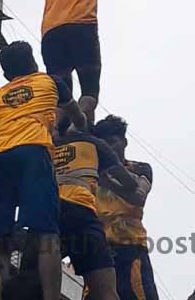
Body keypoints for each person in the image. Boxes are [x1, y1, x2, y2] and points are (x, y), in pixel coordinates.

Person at [0, 41, 85, 300]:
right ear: (34, 63)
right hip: (32, 152)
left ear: (6, 75)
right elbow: (79, 118)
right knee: (47, 232)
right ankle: (51, 297)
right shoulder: (51, 83)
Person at [41, 0, 136, 124]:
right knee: (90, 90)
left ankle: (55, 134)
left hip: (50, 34)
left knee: (62, 94)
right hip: (81, 27)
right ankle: (76, 129)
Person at [51, 123, 139, 300]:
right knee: (106, 292)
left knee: (36, 281)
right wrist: (104, 177)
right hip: (82, 214)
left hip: (49, 215)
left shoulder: (46, 144)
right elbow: (132, 184)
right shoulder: (94, 143)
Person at [93, 116, 158, 300]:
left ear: (125, 142)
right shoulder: (92, 172)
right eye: (104, 144)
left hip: (131, 247)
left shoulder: (141, 168)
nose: (110, 148)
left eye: (113, 142)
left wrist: (110, 182)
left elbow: (139, 198)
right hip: (99, 251)